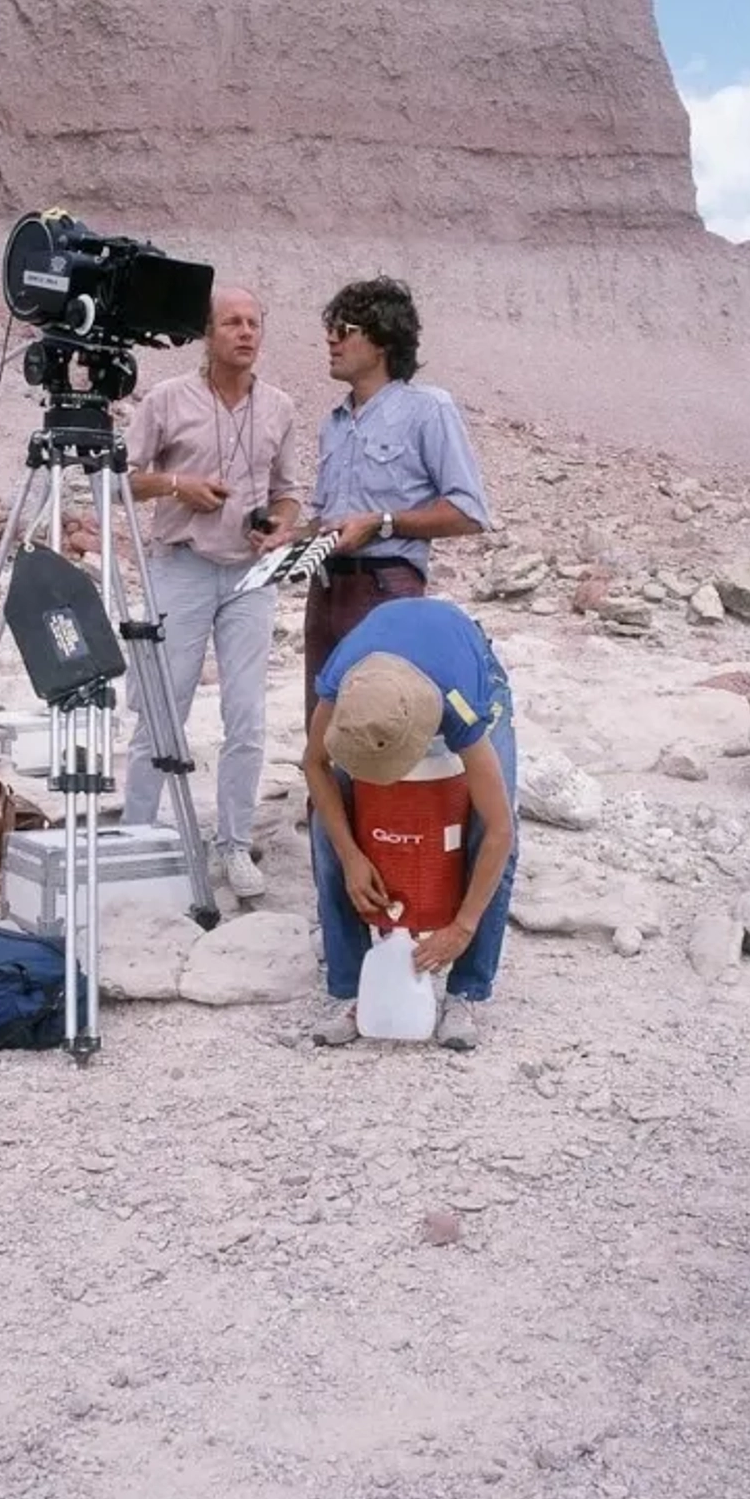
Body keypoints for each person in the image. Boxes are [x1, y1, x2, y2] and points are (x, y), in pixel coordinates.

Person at [123, 285, 302, 899]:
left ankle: (232, 843)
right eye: (232, 322)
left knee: (248, 713)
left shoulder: (279, 406)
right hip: (183, 568)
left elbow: (289, 491)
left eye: (254, 322)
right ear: (208, 334)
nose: (246, 332)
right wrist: (179, 484)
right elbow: (124, 478)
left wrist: (282, 524)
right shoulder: (168, 399)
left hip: (250, 577)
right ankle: (138, 836)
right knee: (161, 707)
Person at [303, 598, 517, 1052]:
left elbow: (500, 829)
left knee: (486, 830)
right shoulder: (344, 682)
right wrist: (351, 855)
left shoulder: (460, 704)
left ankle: (466, 992)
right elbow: (315, 764)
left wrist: (462, 925)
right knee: (327, 830)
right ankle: (351, 990)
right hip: (381, 681)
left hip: (467, 673)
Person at [302, 277, 490, 725]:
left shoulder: (429, 409)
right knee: (324, 726)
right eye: (331, 328)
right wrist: (289, 536)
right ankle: (324, 800)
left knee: (378, 723)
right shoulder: (333, 422)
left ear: (382, 341)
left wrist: (382, 523)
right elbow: (329, 517)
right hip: (324, 589)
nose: (331, 339)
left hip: (386, 589)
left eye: (345, 329)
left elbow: (469, 512)